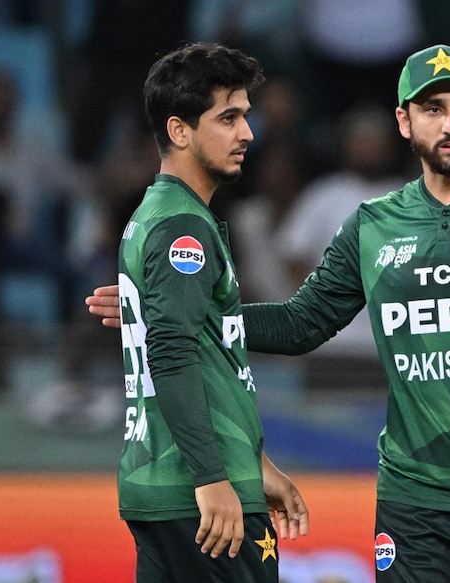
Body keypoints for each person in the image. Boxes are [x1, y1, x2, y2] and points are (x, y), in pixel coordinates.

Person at [89, 44, 450, 582]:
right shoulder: (373, 225)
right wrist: (181, 311)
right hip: (414, 493)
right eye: (432, 109)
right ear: (405, 122)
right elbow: (301, 324)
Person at [103, 42, 308, 581]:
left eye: (246, 115)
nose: (248, 133)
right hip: (200, 495)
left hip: (166, 487)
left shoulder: (156, 214)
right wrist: (214, 477)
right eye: (229, 117)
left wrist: (254, 463)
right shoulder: (182, 229)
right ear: (179, 131)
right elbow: (172, 353)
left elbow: (208, 346)